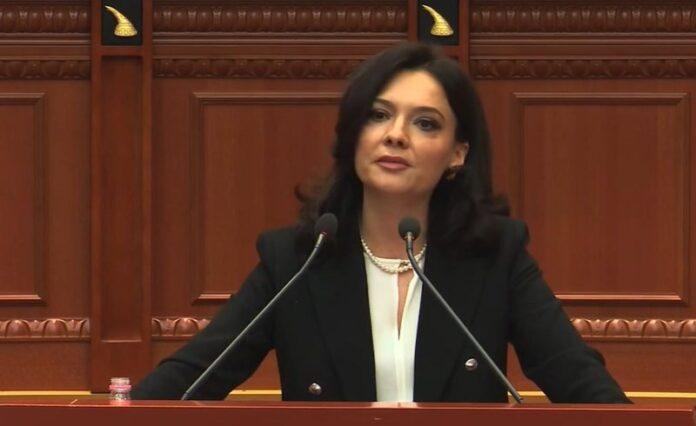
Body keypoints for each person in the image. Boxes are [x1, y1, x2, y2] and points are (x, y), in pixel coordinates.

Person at [132, 42, 630, 403]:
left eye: (425, 123)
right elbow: (188, 381)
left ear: (457, 153)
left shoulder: (496, 256)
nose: (396, 135)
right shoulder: (296, 260)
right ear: (353, 136)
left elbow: (583, 385)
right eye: (378, 115)